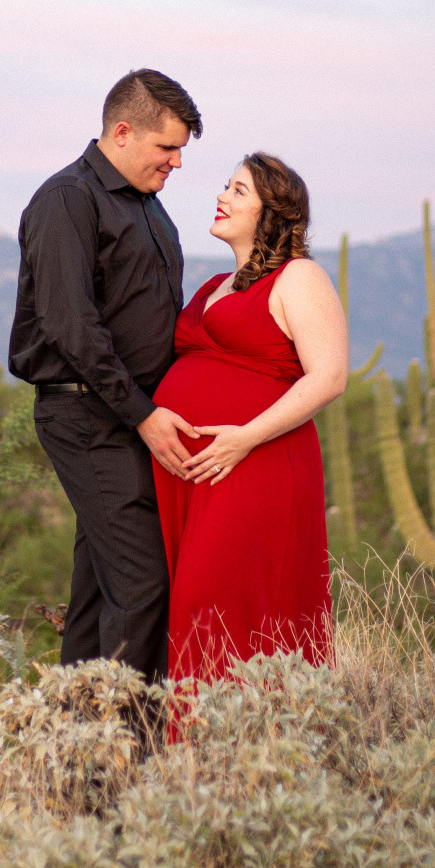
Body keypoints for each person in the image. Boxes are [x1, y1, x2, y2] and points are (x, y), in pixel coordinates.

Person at [8, 69, 203, 682]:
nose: (175, 163)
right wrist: (144, 414)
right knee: (144, 585)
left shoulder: (147, 206)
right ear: (123, 132)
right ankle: (128, 756)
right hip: (89, 417)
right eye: (166, 147)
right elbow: (72, 326)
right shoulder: (67, 199)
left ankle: (74, 752)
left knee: (98, 595)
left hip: (127, 416)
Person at [152, 152, 346, 687]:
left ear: (272, 212)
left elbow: (328, 376)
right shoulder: (213, 283)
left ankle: (254, 748)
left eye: (238, 191)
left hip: (256, 463)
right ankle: (194, 761)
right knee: (188, 605)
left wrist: (245, 437)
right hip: (192, 474)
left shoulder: (298, 277)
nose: (221, 197)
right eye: (225, 186)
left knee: (220, 600)